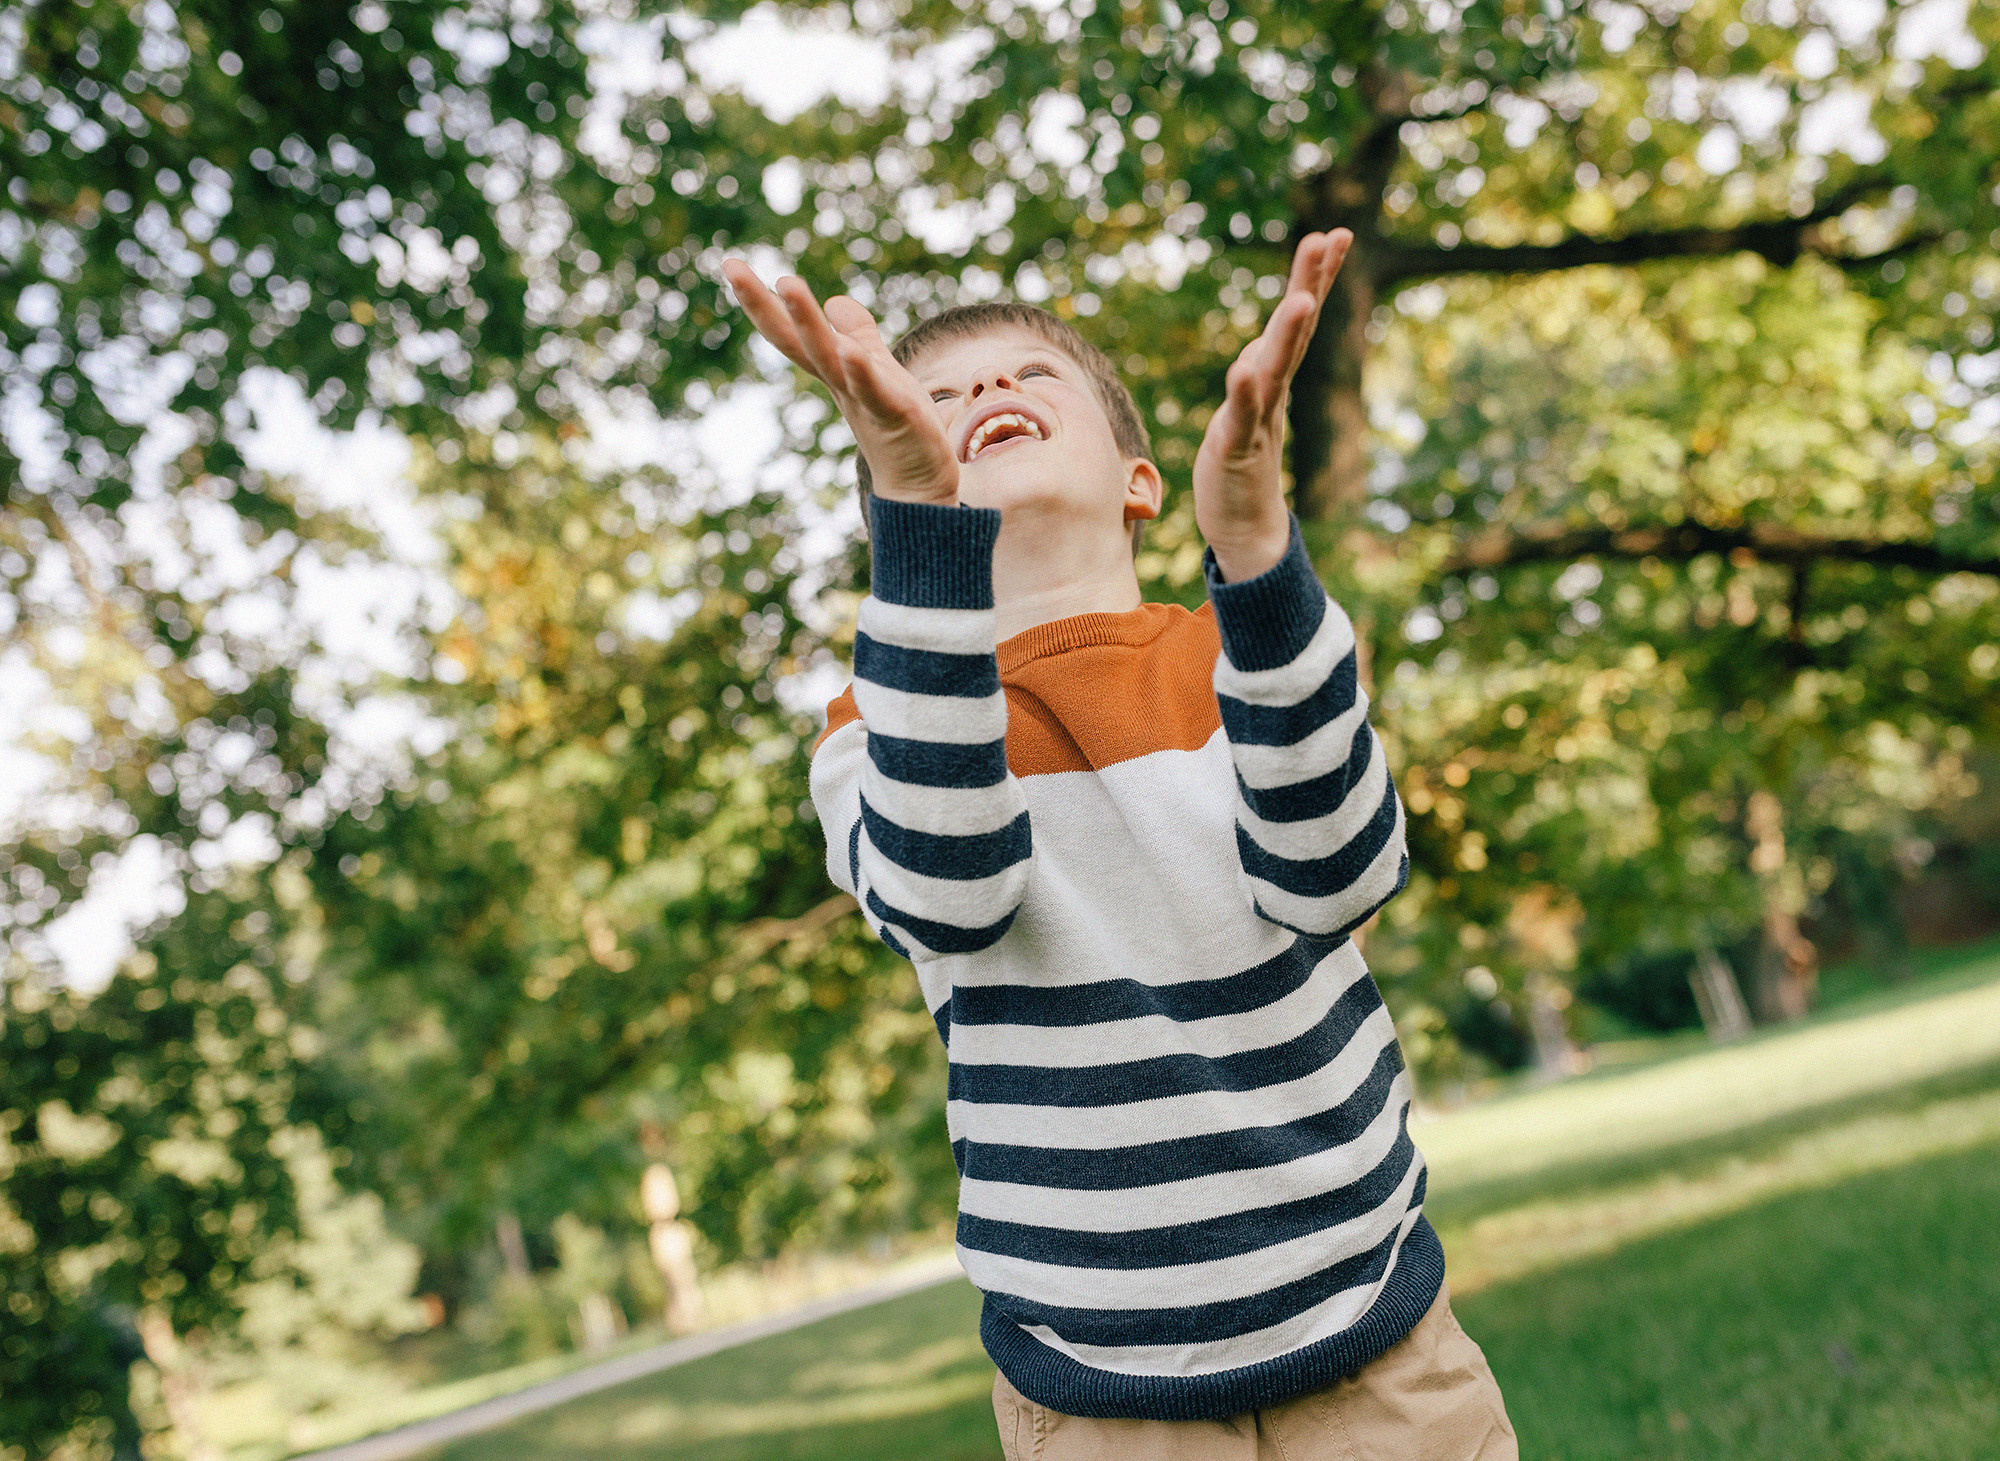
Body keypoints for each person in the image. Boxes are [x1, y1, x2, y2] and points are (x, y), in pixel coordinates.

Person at [722, 232, 1515, 1460]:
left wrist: (1255, 554)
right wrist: (919, 527)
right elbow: (950, 894)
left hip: (1375, 1340)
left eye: (1030, 379)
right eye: (935, 401)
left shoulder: (1250, 651)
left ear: (1140, 482)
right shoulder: (874, 727)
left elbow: (1341, 874)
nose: (985, 395)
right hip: (1100, 1389)